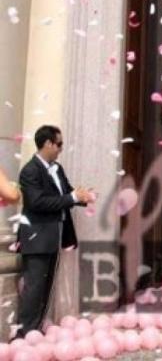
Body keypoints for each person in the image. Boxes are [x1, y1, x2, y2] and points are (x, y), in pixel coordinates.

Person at [14, 125, 95, 338]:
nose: (61, 148)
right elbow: (37, 202)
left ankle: (37, 328)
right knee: (34, 287)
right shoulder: (29, 171)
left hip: (55, 236)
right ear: (47, 143)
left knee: (47, 286)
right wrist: (72, 198)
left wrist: (82, 196)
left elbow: (67, 194)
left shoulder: (57, 168)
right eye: (59, 144)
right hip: (36, 238)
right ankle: (24, 333)